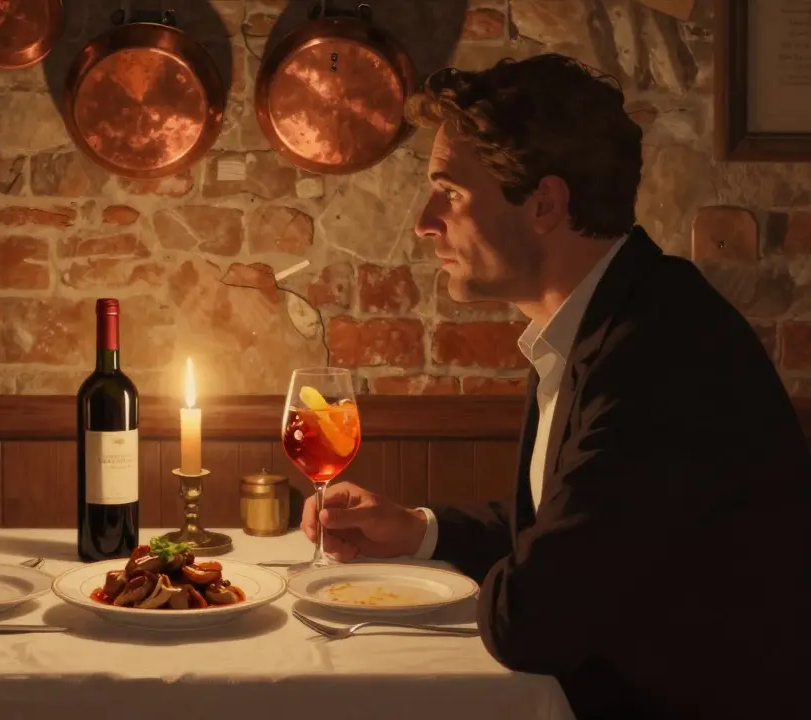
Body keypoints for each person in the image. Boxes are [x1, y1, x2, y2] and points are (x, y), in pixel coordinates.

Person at [302, 54, 811, 719]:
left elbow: (534, 618)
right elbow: (565, 531)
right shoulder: (615, 318)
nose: (426, 222)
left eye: (448, 190)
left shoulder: (658, 353)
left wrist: (448, 594)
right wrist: (418, 532)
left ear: (544, 203)